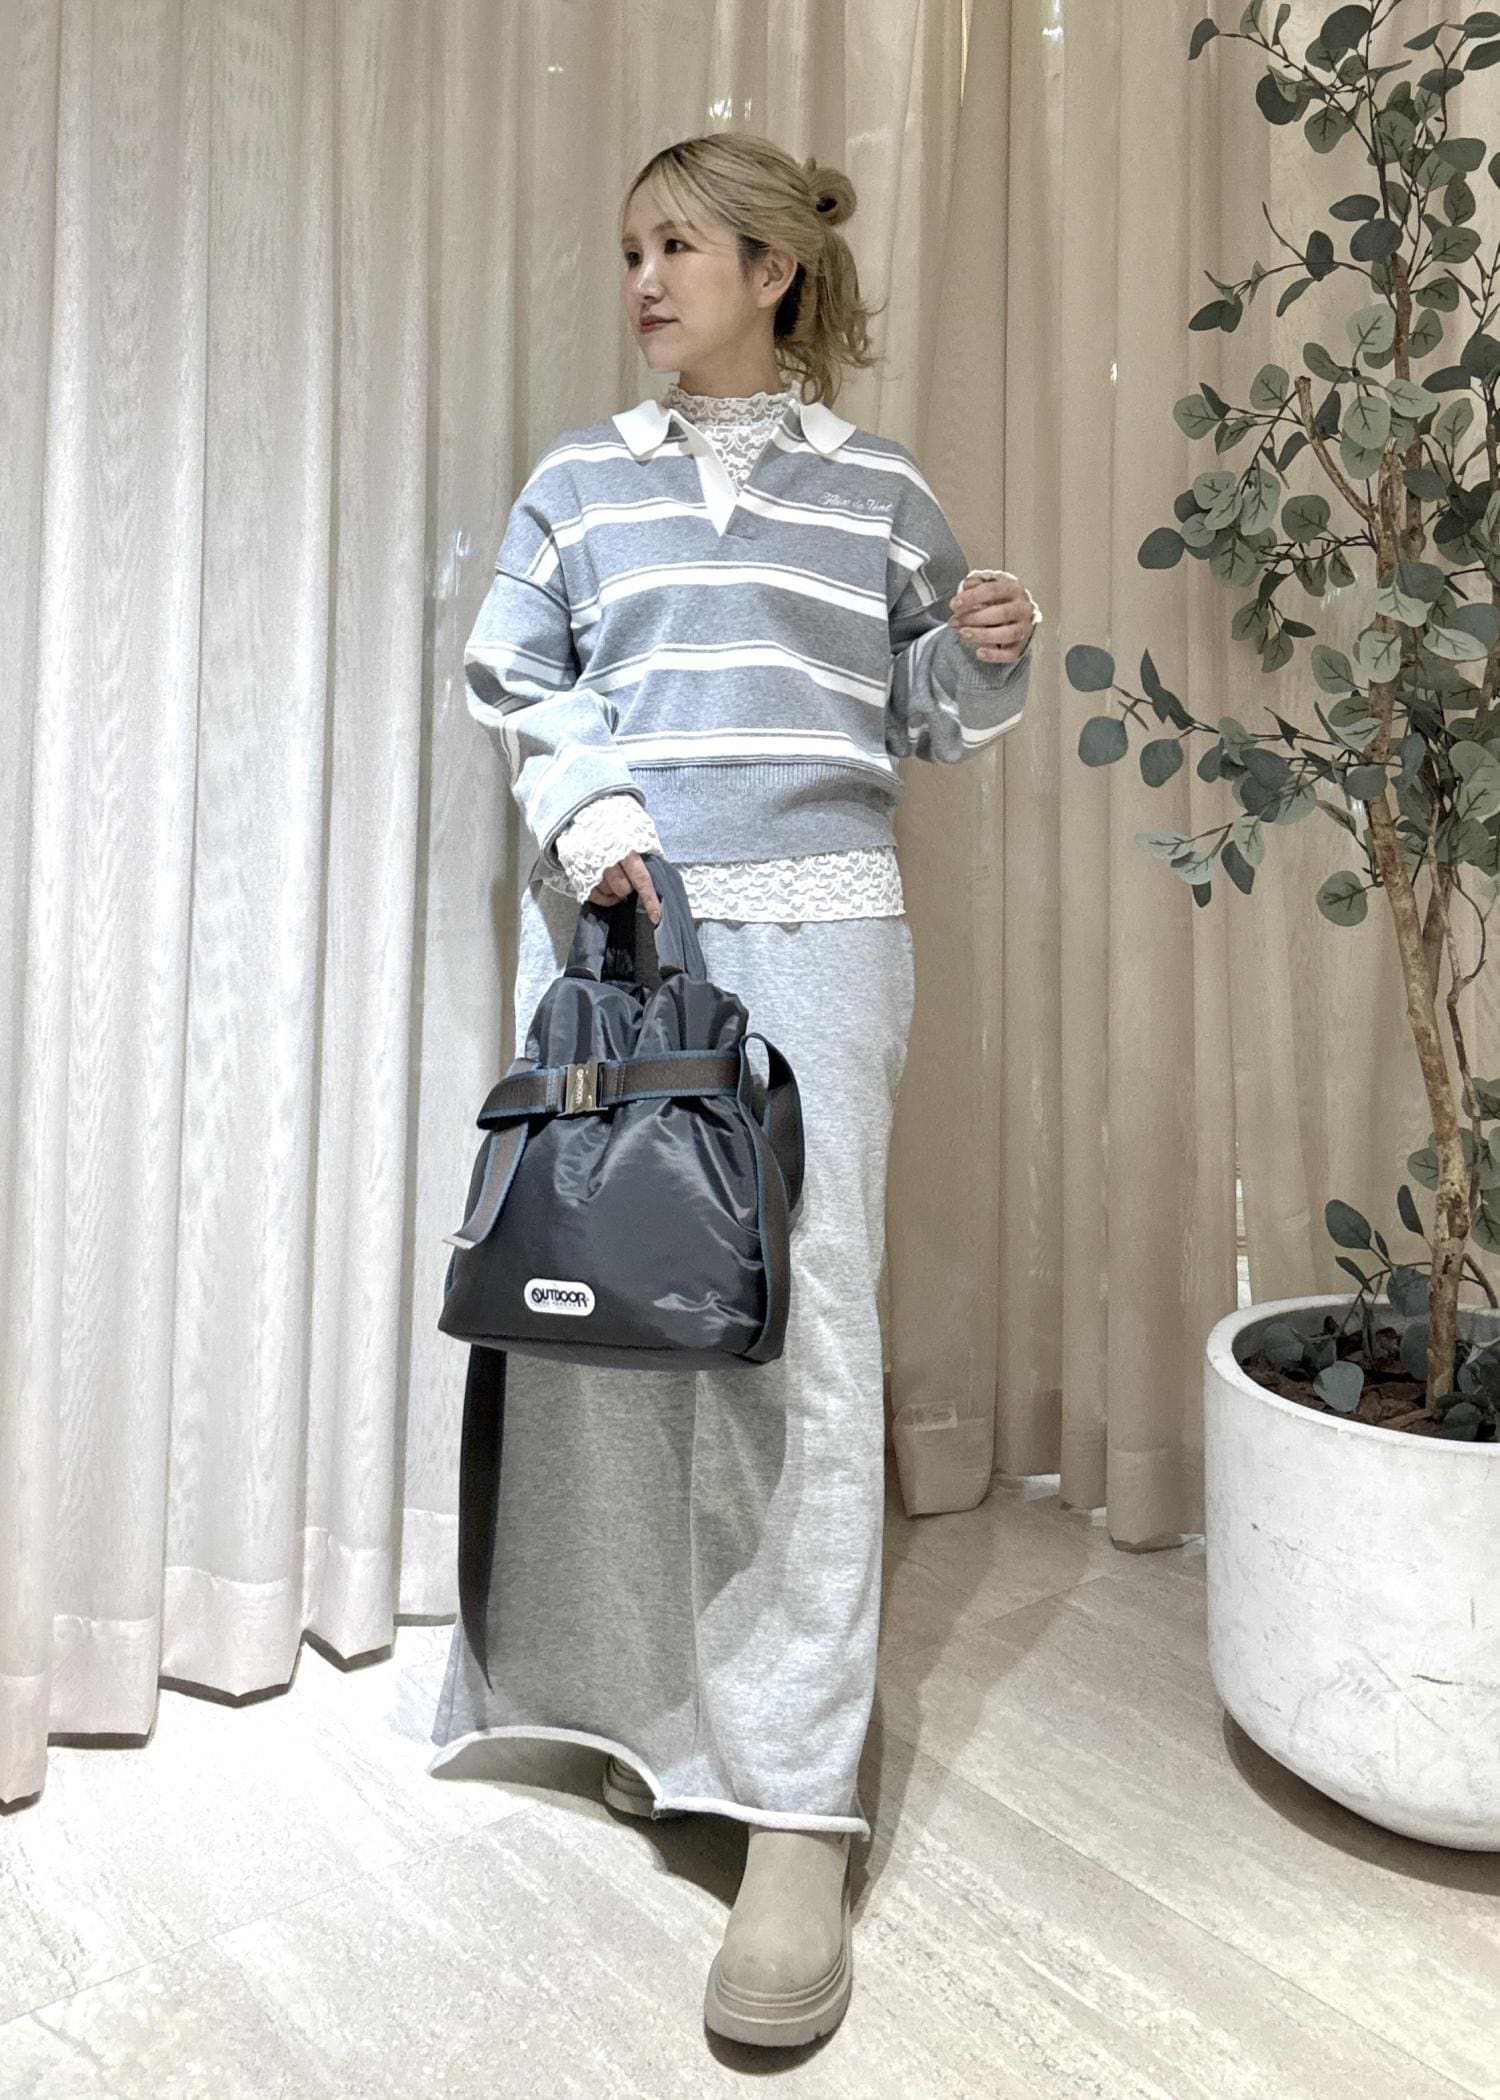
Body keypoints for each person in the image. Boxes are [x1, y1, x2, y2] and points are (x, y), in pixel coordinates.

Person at [428, 131, 1040, 2051]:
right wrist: (596, 809)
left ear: (773, 269)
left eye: (678, 245)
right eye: (631, 249)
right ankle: (629, 1707)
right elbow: (514, 672)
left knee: (804, 1336)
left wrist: (983, 654)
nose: (643, 279)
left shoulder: (879, 492)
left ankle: (790, 1795)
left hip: (827, 938)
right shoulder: (578, 484)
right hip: (619, 935)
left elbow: (922, 715)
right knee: (607, 1316)